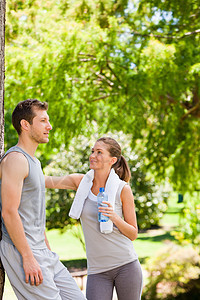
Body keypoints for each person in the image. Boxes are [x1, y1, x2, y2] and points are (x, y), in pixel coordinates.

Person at [0, 99, 86, 300]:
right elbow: (9, 212)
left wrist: (71, 180)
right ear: (25, 124)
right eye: (43, 121)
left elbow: (36, 196)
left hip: (42, 251)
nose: (50, 126)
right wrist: (28, 257)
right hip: (23, 251)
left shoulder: (33, 162)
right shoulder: (15, 160)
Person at [45, 137, 143, 300]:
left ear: (112, 160)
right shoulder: (80, 182)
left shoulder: (122, 189)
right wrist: (21, 163)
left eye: (99, 152)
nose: (93, 155)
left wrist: (114, 217)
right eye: (92, 151)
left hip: (126, 266)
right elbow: (45, 181)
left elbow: (133, 234)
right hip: (97, 271)